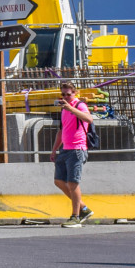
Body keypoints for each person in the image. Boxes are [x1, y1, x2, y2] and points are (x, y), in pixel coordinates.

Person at [51, 81, 95, 227]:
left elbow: (89, 119)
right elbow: (61, 130)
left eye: (68, 94)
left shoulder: (79, 105)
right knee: (58, 180)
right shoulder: (64, 109)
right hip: (65, 149)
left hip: (77, 149)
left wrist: (71, 108)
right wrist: (54, 149)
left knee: (73, 183)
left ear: (74, 93)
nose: (65, 97)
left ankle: (75, 216)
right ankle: (83, 208)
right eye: (63, 94)